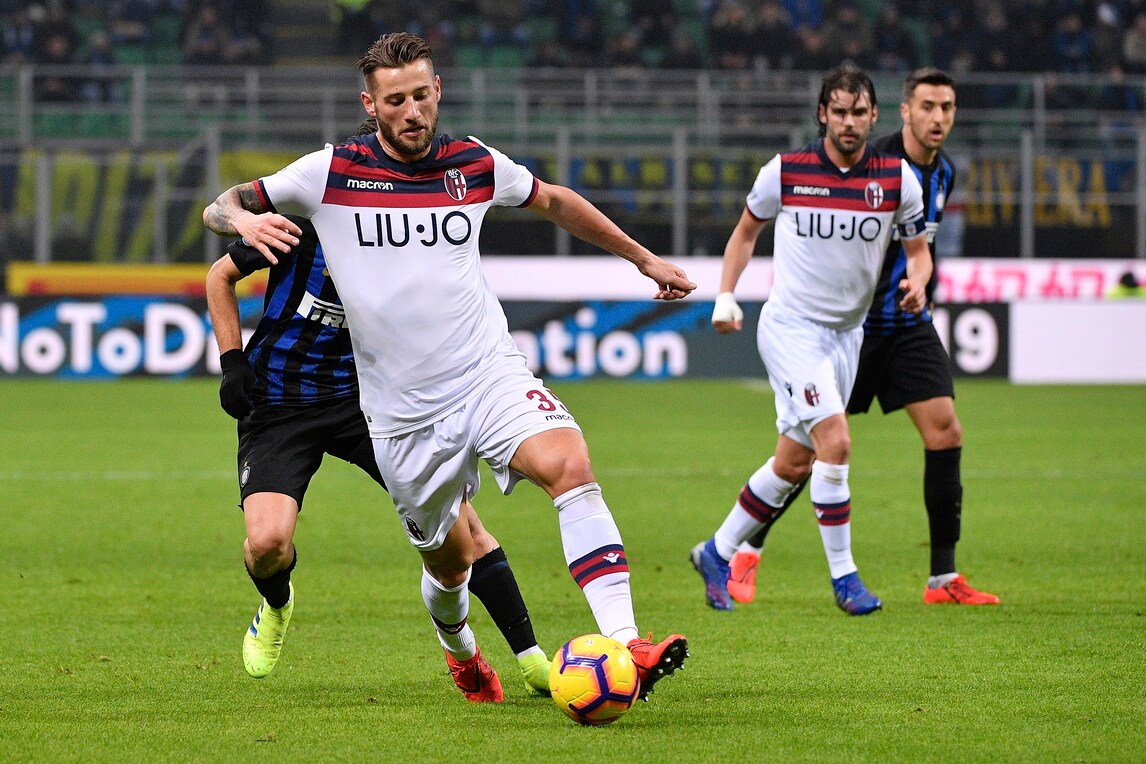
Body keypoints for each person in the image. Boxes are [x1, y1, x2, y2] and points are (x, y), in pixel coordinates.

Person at [202, 32, 693, 703]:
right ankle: (458, 644)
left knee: (568, 465)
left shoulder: (475, 164)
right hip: (399, 413)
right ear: (370, 105)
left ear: (438, 91)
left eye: (421, 95)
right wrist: (242, 221)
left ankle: (626, 641)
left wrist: (643, 259)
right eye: (395, 100)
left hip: (485, 372)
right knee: (450, 559)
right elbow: (221, 204)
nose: (412, 112)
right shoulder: (328, 174)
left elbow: (554, 200)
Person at [205, 202, 553, 694]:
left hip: (372, 403)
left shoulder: (408, 239)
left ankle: (530, 660)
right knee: (267, 546)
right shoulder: (301, 224)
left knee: (464, 534)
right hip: (279, 404)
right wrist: (232, 361)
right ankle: (277, 605)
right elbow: (219, 275)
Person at [724, 68, 1001, 607]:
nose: (938, 118)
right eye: (927, 106)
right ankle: (746, 550)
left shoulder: (942, 172)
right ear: (903, 111)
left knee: (945, 431)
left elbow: (921, 250)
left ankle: (943, 579)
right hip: (848, 329)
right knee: (809, 449)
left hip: (906, 324)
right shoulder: (875, 163)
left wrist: (920, 285)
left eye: (947, 107)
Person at [691, 64, 931, 615]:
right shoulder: (786, 172)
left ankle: (716, 551)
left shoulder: (899, 179)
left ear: (874, 115)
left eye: (859, 112)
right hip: (792, 328)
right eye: (839, 111)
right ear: (823, 114)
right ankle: (845, 579)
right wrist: (725, 295)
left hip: (848, 336)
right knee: (836, 442)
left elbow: (919, 252)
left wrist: (918, 283)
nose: (849, 122)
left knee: (794, 463)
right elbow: (745, 233)